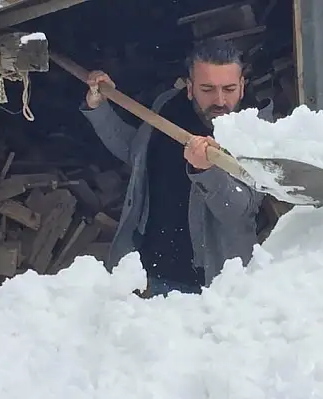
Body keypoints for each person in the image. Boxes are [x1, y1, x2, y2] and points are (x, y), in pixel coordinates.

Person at [79, 38, 273, 296]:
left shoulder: (257, 129)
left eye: (228, 89)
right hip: (147, 273)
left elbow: (238, 211)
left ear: (242, 86)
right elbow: (135, 154)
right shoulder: (168, 106)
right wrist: (100, 108)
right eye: (207, 89)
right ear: (190, 88)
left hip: (211, 287)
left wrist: (206, 171)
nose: (219, 101)